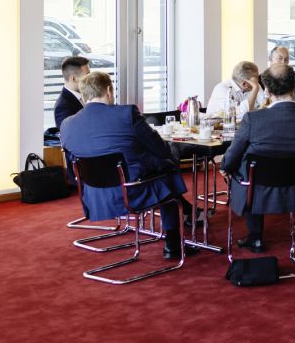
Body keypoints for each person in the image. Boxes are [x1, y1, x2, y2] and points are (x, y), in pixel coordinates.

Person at [61, 71, 196, 259]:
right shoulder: (126, 114)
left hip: (93, 195)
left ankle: (181, 225)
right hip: (131, 191)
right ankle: (173, 244)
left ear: (83, 95)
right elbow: (160, 148)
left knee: (160, 165)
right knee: (168, 169)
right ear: (109, 90)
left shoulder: (67, 124)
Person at [221, 64, 295, 251]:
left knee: (245, 168)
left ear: (267, 91)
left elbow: (232, 157)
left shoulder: (253, 119)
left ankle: (256, 237)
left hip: (259, 188)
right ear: (293, 88)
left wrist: (225, 167)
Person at [54, 55, 90, 184]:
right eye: (87, 75)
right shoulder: (63, 106)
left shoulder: (85, 96)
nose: (90, 79)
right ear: (74, 78)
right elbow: (72, 140)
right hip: (82, 160)